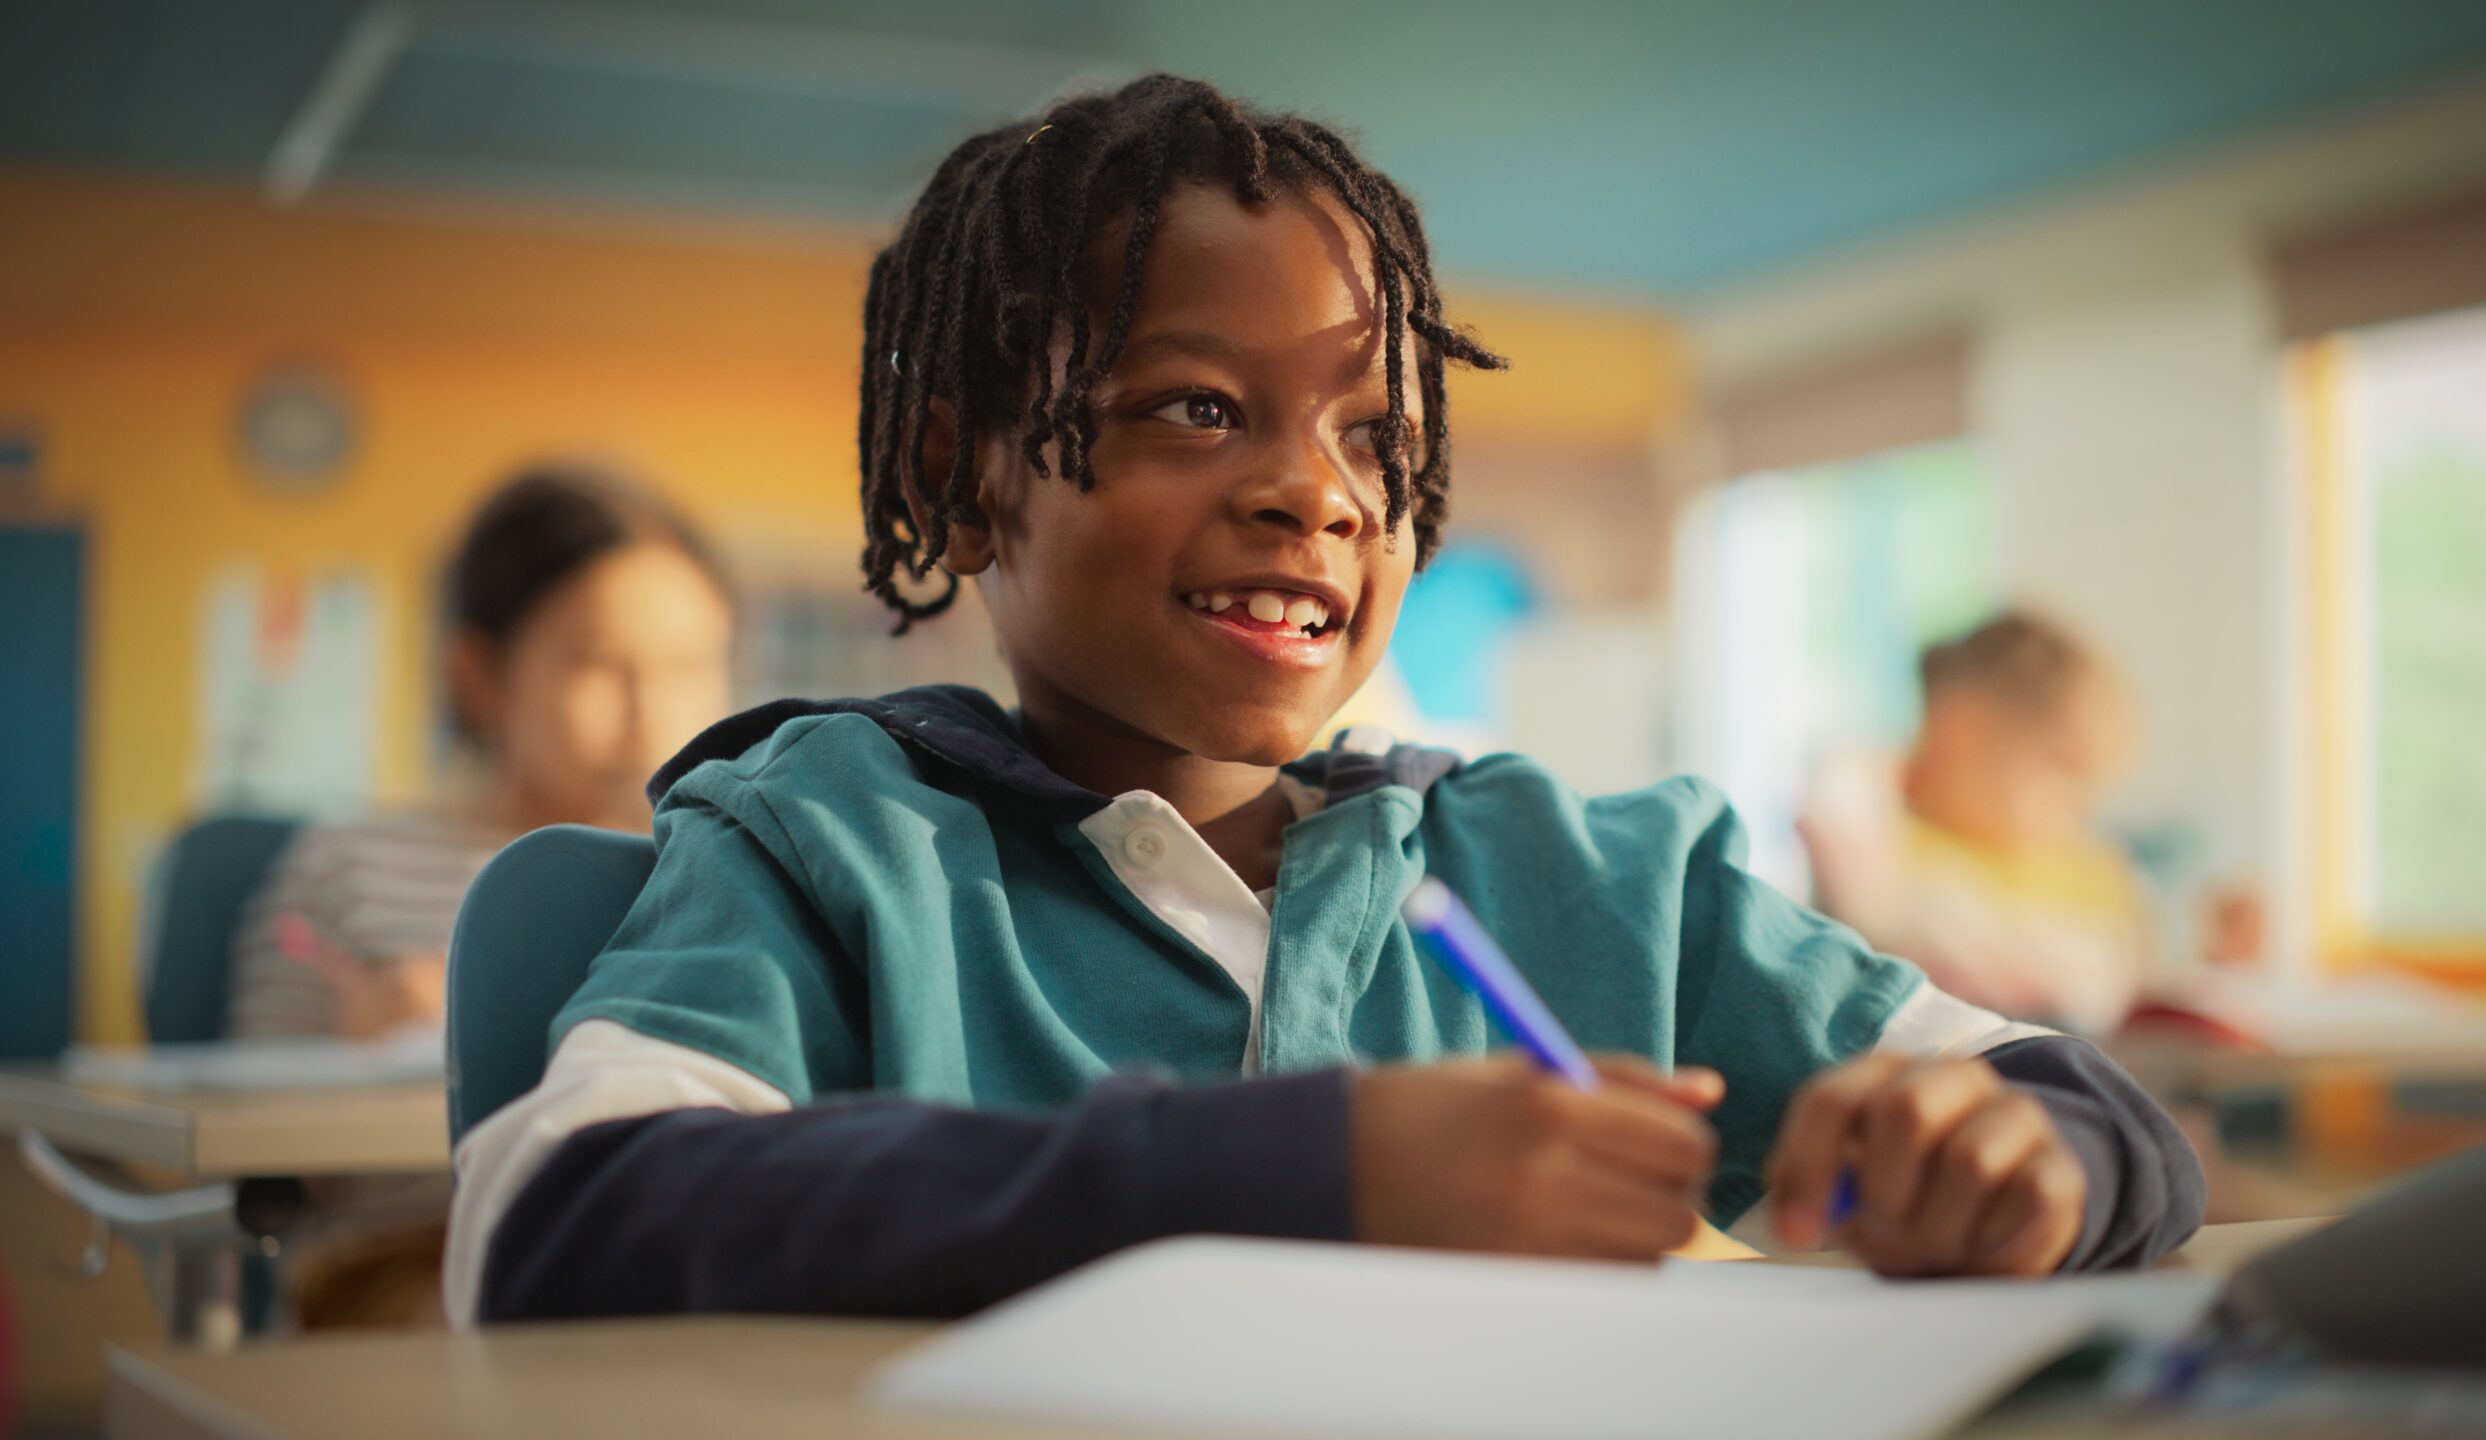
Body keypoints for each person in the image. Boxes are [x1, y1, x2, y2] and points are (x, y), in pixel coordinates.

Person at [448, 76, 2203, 1326]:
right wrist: (1281, 1170)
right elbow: (552, 1218)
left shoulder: (1584, 878)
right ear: (962, 476)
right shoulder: (829, 844)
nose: (1324, 494)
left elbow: (2094, 1111)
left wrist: (2022, 1154)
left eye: (1378, 437)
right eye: (1199, 407)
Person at [227, 462, 735, 1324]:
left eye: (691, 663)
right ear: (479, 675)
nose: (654, 708)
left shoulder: (732, 871)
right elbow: (251, 1167)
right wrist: (347, 1053)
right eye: (600, 664)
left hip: (672, 1246)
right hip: (408, 1262)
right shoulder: (350, 868)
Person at [1798, 610, 2151, 1036]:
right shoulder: (1888, 842)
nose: (2080, 809)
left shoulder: (2081, 869)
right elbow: (1875, 907)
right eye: (2064, 769)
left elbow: (2109, 982)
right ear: (1962, 731)